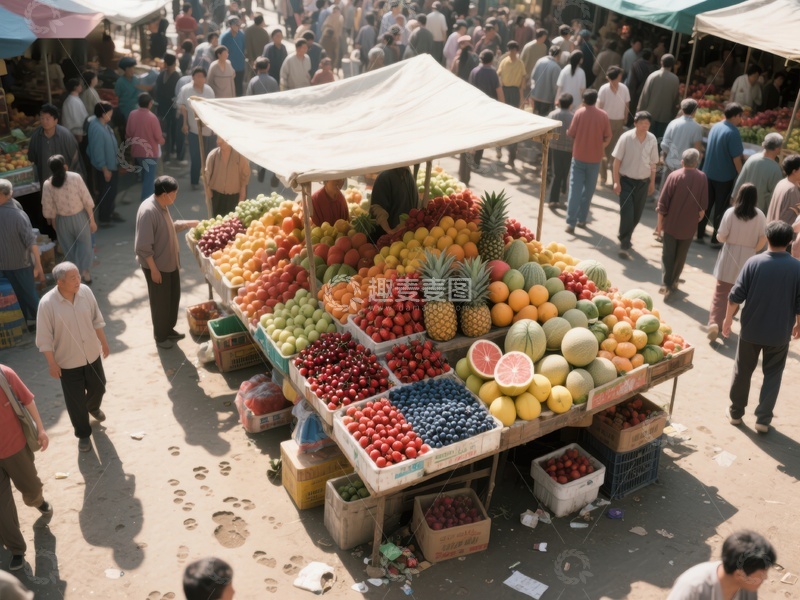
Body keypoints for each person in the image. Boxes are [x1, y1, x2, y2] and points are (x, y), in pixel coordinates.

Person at [722, 220, 800, 432]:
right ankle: (763, 420)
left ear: (767, 238)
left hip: (751, 330)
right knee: (773, 374)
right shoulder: (797, 268)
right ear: (790, 241)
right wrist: (798, 325)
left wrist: (728, 319)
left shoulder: (753, 262)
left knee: (742, 371)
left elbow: (735, 296)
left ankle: (736, 413)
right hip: (779, 333)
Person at [36, 262, 109, 452]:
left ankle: (92, 407)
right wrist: (52, 363)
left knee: (99, 387)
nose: (78, 280)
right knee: (75, 401)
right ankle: (83, 434)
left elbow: (96, 319)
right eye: (73, 278)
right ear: (60, 282)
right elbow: (44, 338)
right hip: (67, 362)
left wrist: (104, 342)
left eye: (78, 276)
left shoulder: (85, 292)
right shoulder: (47, 304)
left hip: (91, 354)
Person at [135, 176, 198, 350]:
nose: (176, 197)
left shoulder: (162, 206)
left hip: (170, 263)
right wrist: (154, 270)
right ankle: (160, 336)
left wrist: (188, 224)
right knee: (160, 303)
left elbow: (170, 227)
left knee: (172, 299)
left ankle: (168, 330)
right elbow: (142, 246)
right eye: (174, 194)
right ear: (164, 194)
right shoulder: (148, 211)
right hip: (158, 266)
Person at [0, 364, 51, 573]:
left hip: (15, 448)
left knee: (31, 487)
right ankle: (16, 549)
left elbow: (27, 400)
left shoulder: (5, 374)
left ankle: (37, 500)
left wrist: (41, 429)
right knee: (2, 506)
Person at [707, 184, 767, 343]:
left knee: (720, 292)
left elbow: (721, 236)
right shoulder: (760, 215)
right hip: (748, 257)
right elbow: (763, 238)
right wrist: (754, 249)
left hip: (729, 253)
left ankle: (714, 322)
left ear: (739, 195)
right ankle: (727, 319)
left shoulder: (730, 212)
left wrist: (725, 238)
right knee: (739, 292)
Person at [655, 149, 708, 300]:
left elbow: (662, 204)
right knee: (680, 256)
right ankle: (674, 282)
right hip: (688, 227)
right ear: (697, 162)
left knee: (668, 255)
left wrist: (659, 226)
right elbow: (702, 209)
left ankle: (666, 283)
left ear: (682, 162)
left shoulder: (673, 176)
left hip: (671, 225)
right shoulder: (702, 177)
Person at [668, 530, 775, 599]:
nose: (765, 577)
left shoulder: (747, 589)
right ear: (739, 574)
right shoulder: (692, 588)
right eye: (762, 573)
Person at [41, 155, 96, 284]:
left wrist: (55, 225)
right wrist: (92, 221)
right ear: (65, 166)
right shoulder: (75, 177)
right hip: (80, 217)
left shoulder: (47, 184)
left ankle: (75, 277)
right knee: (85, 246)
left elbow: (49, 209)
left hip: (62, 221)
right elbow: (87, 200)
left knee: (69, 250)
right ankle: (85, 273)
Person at [613, 111, 659, 258]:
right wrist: (616, 182)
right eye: (642, 123)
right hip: (626, 181)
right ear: (635, 123)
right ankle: (625, 242)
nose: (644, 126)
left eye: (647, 123)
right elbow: (616, 162)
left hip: (643, 183)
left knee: (637, 215)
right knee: (627, 212)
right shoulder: (626, 138)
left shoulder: (652, 139)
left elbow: (653, 163)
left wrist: (652, 182)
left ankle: (624, 235)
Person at [565, 89, 611, 234]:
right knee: (589, 191)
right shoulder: (603, 115)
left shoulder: (579, 113)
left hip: (578, 157)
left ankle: (570, 222)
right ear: (596, 99)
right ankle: (582, 219)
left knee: (575, 190)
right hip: (595, 159)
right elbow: (608, 136)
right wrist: (600, 146)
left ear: (583, 100)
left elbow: (571, 133)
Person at [0, 179, 44, 329]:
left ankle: (36, 322)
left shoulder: (16, 213)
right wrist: (38, 266)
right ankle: (37, 322)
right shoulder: (18, 213)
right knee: (28, 294)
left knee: (20, 295)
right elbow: (31, 243)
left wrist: (38, 266)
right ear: (10, 194)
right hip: (21, 263)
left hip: (7, 264)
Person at [700, 102, 745, 246]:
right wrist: (741, 174)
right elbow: (736, 158)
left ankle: (699, 234)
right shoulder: (733, 132)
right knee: (720, 208)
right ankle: (715, 238)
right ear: (736, 116)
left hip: (708, 173)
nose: (741, 119)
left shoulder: (716, 127)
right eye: (740, 116)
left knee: (705, 204)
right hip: (724, 177)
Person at [178, 67, 217, 191]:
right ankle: (194, 181)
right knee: (195, 156)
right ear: (193, 77)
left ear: (205, 78)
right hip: (193, 129)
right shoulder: (186, 90)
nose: (200, 78)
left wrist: (214, 127)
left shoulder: (209, 90)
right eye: (197, 76)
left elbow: (212, 108)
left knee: (208, 156)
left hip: (207, 128)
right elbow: (182, 107)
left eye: (202, 76)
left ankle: (208, 180)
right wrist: (184, 123)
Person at [28, 104, 84, 189]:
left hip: (65, 181)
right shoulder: (36, 136)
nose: (44, 121)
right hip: (45, 181)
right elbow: (32, 158)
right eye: (42, 118)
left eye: (47, 119)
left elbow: (75, 160)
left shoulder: (66, 136)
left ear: (55, 120)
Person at [467, 50, 504, 172]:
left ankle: (469, 157)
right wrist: (502, 106)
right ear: (492, 60)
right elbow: (498, 90)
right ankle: (476, 161)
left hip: (474, 106)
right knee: (482, 134)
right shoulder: (493, 73)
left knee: (473, 132)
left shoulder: (474, 71)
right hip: (488, 108)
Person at [87, 101, 121, 227]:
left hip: (111, 164)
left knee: (112, 191)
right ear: (103, 114)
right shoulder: (96, 128)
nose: (111, 114)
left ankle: (110, 212)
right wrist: (104, 168)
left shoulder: (103, 124)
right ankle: (104, 217)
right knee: (106, 192)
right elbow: (98, 151)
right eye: (109, 112)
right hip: (105, 167)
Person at [126, 93, 166, 201]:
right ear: (150, 103)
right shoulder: (152, 117)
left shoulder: (132, 114)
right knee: (149, 177)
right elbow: (158, 137)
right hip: (150, 152)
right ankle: (146, 199)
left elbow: (128, 133)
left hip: (136, 150)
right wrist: (163, 141)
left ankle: (147, 195)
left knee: (144, 175)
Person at [732, 133, 784, 214]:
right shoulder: (776, 169)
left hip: (741, 207)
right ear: (777, 149)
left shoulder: (751, 159)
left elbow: (740, 182)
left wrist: (733, 201)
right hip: (759, 213)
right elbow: (774, 197)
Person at [596, 66, 629, 187]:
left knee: (615, 149)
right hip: (606, 121)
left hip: (619, 121)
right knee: (604, 148)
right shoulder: (604, 89)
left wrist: (625, 118)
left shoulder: (624, 89)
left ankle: (612, 175)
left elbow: (626, 104)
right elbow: (599, 105)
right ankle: (603, 176)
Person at [637, 54, 680, 141]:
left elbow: (644, 96)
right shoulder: (675, 79)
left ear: (661, 62)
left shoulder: (653, 76)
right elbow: (676, 100)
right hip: (665, 116)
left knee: (646, 141)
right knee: (659, 143)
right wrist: (674, 115)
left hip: (650, 115)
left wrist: (639, 112)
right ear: (672, 65)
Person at [660, 99, 705, 182]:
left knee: (666, 191)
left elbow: (664, 145)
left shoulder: (673, 123)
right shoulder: (697, 128)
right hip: (686, 169)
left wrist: (665, 158)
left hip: (670, 164)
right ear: (695, 111)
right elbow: (696, 149)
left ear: (682, 110)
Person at [497, 41, 525, 168]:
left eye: (514, 50)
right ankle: (499, 147)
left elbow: (523, 80)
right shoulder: (504, 61)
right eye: (510, 50)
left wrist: (522, 96)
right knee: (502, 121)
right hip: (505, 91)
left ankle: (511, 157)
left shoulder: (520, 63)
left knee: (513, 123)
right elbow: (499, 76)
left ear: (517, 51)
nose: (512, 52)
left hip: (514, 91)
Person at [205, 137, 250, 217]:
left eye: (222, 139)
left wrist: (242, 193)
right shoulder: (213, 155)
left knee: (232, 223)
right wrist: (207, 189)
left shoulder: (240, 156)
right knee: (217, 223)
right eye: (217, 138)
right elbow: (206, 174)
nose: (218, 141)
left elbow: (245, 175)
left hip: (234, 197)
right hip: (216, 196)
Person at [154, 53, 184, 163]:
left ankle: (170, 151)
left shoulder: (177, 77)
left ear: (166, 63)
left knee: (172, 130)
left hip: (172, 108)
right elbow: (157, 91)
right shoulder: (162, 75)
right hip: (162, 107)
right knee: (164, 130)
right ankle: (166, 152)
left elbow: (178, 95)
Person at [370, 167, 417, 235]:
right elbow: (377, 209)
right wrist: (390, 231)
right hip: (390, 240)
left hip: (407, 237)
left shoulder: (408, 175)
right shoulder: (385, 177)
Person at [114, 57, 153, 138]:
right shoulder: (120, 82)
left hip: (137, 106)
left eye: (133, 68)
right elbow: (117, 95)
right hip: (125, 108)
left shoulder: (136, 79)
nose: (132, 70)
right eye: (130, 68)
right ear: (125, 69)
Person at [547, 93, 574, 207]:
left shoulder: (552, 115)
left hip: (554, 147)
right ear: (570, 105)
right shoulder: (573, 117)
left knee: (556, 173)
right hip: (569, 149)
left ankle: (553, 199)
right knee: (565, 173)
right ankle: (563, 195)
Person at [766, 154, 800, 234]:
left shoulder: (782, 182)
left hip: (773, 232)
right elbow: (792, 218)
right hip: (784, 237)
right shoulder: (792, 190)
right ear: (794, 171)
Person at [529, 45, 561, 116]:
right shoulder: (556, 67)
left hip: (536, 96)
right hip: (547, 99)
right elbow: (555, 86)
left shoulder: (540, 61)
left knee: (535, 117)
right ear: (558, 55)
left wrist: (532, 93)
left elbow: (533, 77)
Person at [220, 16, 247, 96]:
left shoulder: (242, 35)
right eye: (235, 25)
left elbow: (244, 48)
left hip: (240, 65)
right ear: (230, 25)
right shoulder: (224, 37)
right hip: (228, 66)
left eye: (238, 25)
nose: (237, 27)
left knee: (239, 86)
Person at [61, 78, 88, 144]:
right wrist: (79, 134)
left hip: (75, 132)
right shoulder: (73, 101)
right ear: (76, 87)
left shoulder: (73, 99)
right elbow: (76, 119)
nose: (81, 87)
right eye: (80, 85)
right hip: (75, 133)